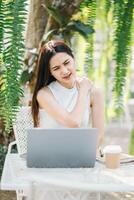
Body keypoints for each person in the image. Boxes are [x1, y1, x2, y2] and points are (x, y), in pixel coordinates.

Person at [31, 40, 104, 147]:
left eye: (66, 63)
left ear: (73, 59)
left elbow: (99, 136)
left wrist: (86, 156)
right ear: (50, 72)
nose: (65, 71)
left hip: (81, 155)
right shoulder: (44, 94)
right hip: (49, 155)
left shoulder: (94, 93)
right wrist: (83, 91)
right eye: (56, 68)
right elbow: (73, 123)